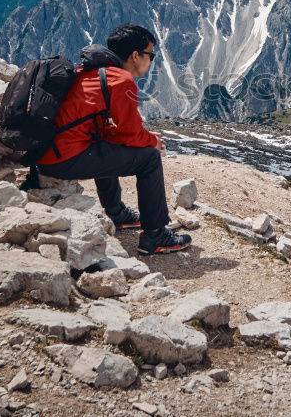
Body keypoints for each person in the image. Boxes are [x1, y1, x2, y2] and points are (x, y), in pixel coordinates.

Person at [37, 24, 191, 256]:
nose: (152, 60)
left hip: (48, 152)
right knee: (149, 158)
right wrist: (152, 141)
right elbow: (130, 133)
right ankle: (156, 235)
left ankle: (117, 214)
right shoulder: (120, 80)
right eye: (151, 54)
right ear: (135, 55)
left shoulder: (92, 72)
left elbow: (114, 132)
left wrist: (145, 137)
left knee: (106, 143)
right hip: (64, 159)